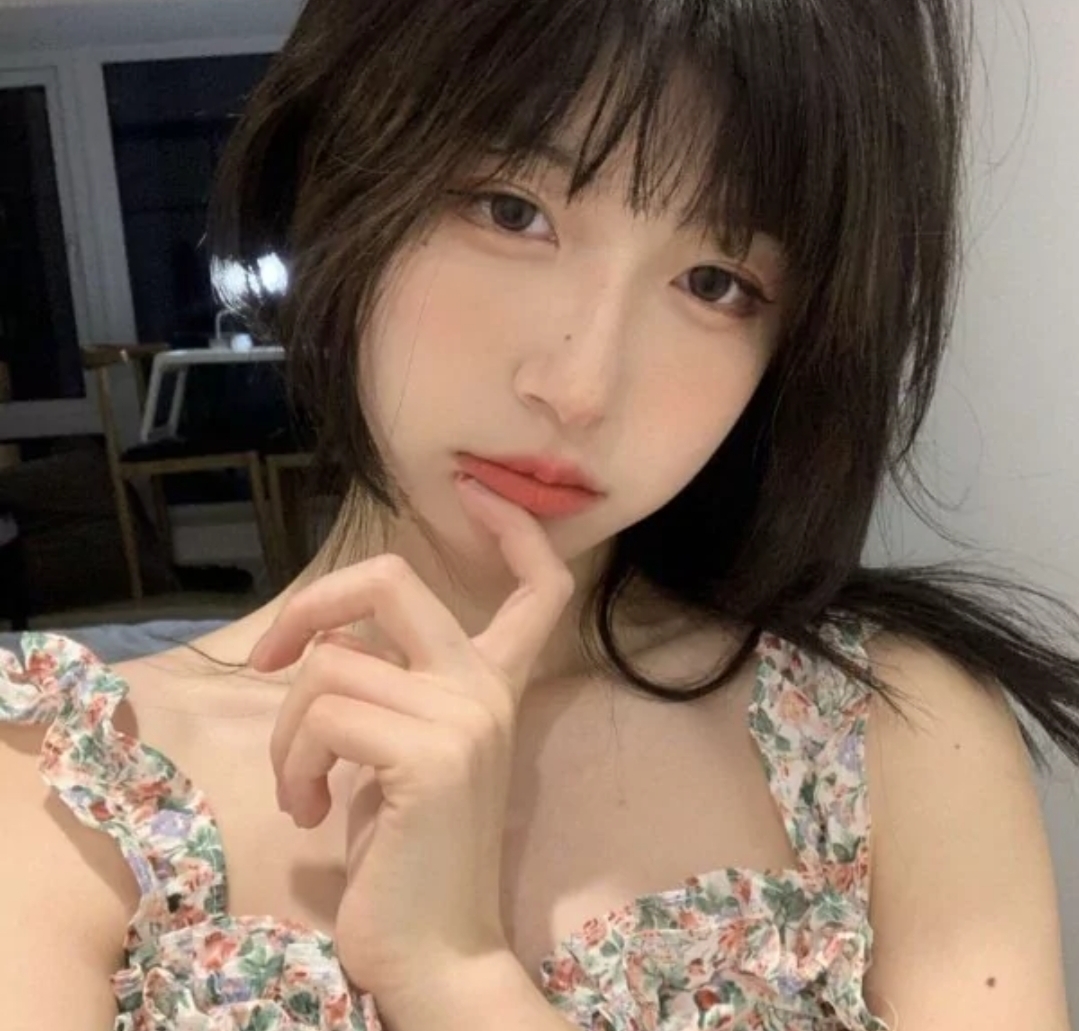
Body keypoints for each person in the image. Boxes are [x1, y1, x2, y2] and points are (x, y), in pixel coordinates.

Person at [1, 0, 1076, 1027]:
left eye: (715, 282)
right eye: (512, 211)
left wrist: (454, 977)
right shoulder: (62, 792)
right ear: (338, 175)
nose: (579, 387)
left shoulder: (885, 735)